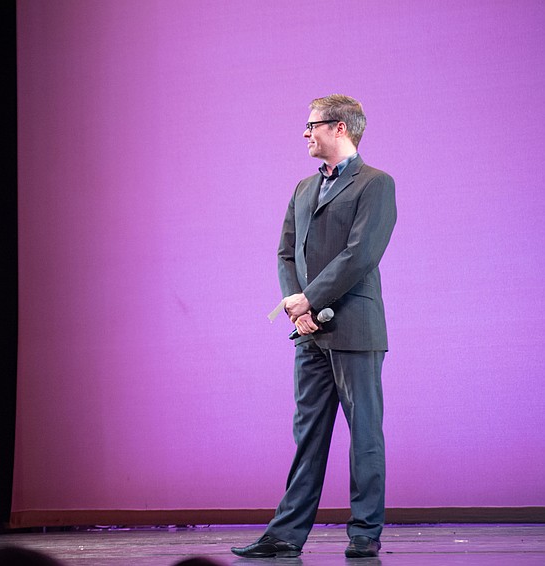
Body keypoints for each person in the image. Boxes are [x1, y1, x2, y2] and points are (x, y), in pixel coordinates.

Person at [231, 95, 396, 559]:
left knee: (364, 432)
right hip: (308, 330)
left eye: (312, 125)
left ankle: (364, 533)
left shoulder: (376, 184)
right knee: (308, 434)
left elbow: (361, 254)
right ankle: (285, 533)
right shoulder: (304, 188)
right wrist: (294, 305)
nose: (305, 133)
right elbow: (287, 253)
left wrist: (312, 297)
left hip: (355, 327)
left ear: (339, 128)